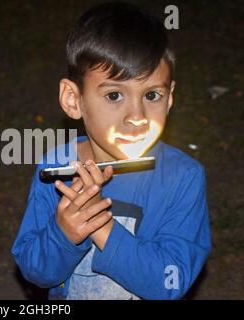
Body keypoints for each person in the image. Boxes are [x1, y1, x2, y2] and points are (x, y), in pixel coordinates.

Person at [11, 2, 211, 300]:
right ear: (73, 100)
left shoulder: (183, 178)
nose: (137, 116)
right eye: (115, 95)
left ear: (170, 99)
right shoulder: (56, 169)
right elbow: (34, 271)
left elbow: (172, 282)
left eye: (152, 95)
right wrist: (63, 234)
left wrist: (103, 229)